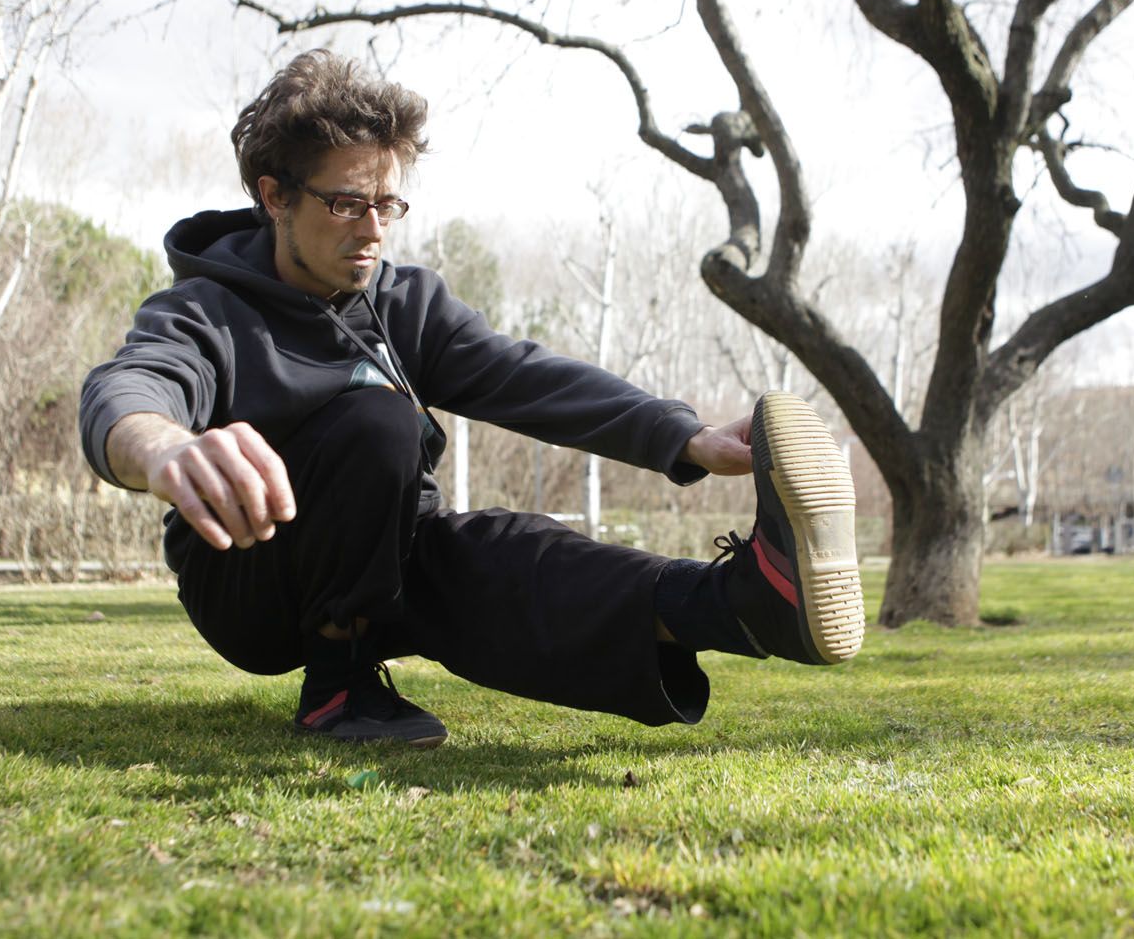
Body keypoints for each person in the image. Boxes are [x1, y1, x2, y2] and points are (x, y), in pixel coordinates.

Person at [79, 50, 863, 747]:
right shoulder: (204, 310)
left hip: (384, 556)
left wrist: (679, 435)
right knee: (377, 418)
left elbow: (523, 375)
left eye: (389, 205)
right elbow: (127, 390)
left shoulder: (405, 300)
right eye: (348, 203)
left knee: (502, 553)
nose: (374, 229)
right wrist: (167, 447)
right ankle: (340, 681)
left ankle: (744, 601)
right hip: (247, 580)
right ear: (275, 195)